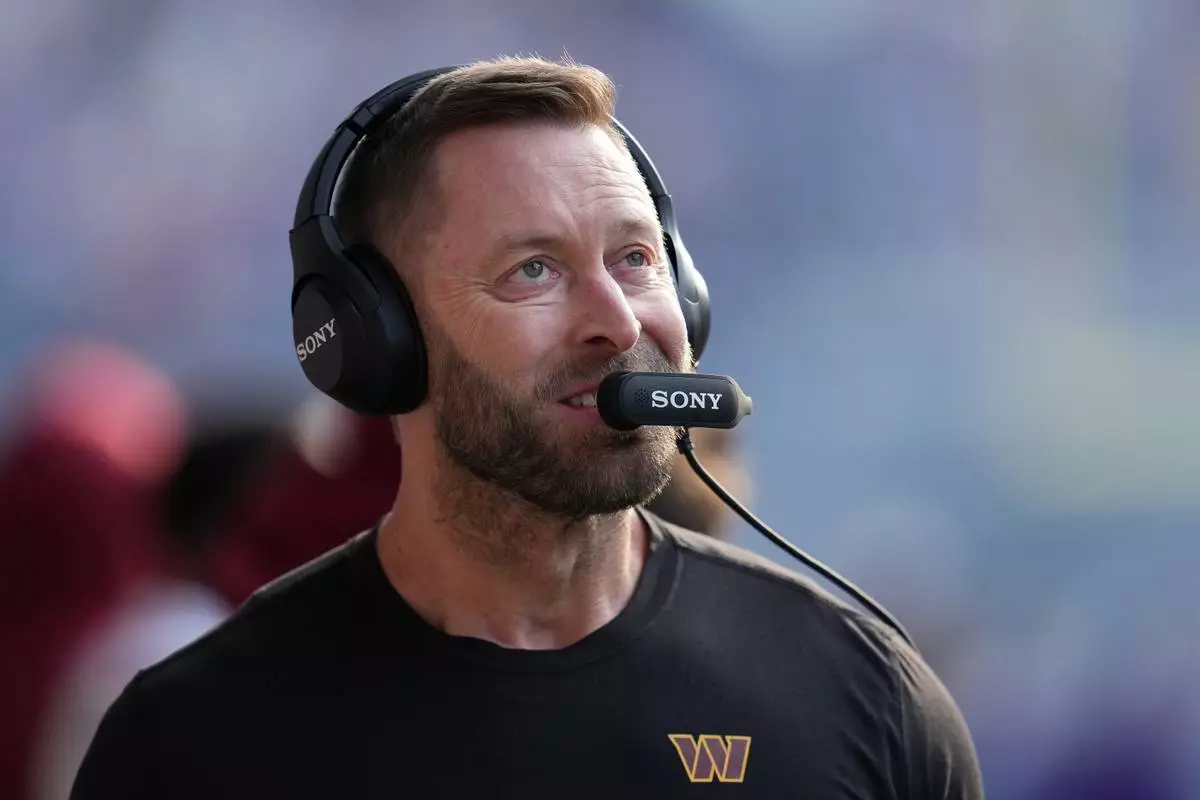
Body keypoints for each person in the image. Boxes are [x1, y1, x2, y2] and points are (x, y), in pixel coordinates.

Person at [70, 56, 984, 798]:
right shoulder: (191, 741)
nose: (618, 324)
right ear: (377, 338)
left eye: (634, 259)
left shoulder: (867, 702)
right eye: (534, 271)